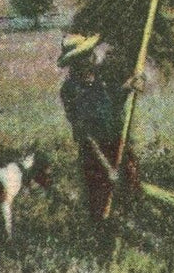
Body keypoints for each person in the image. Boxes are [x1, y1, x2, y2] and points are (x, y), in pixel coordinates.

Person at [57, 33, 142, 220]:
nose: (92, 57)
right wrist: (107, 167)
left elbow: (113, 102)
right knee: (101, 206)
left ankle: (130, 233)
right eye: (85, 55)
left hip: (118, 145)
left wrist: (130, 87)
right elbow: (85, 135)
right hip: (95, 155)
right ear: (75, 62)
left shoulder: (99, 79)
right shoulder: (71, 90)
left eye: (90, 52)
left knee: (131, 191)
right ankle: (103, 242)